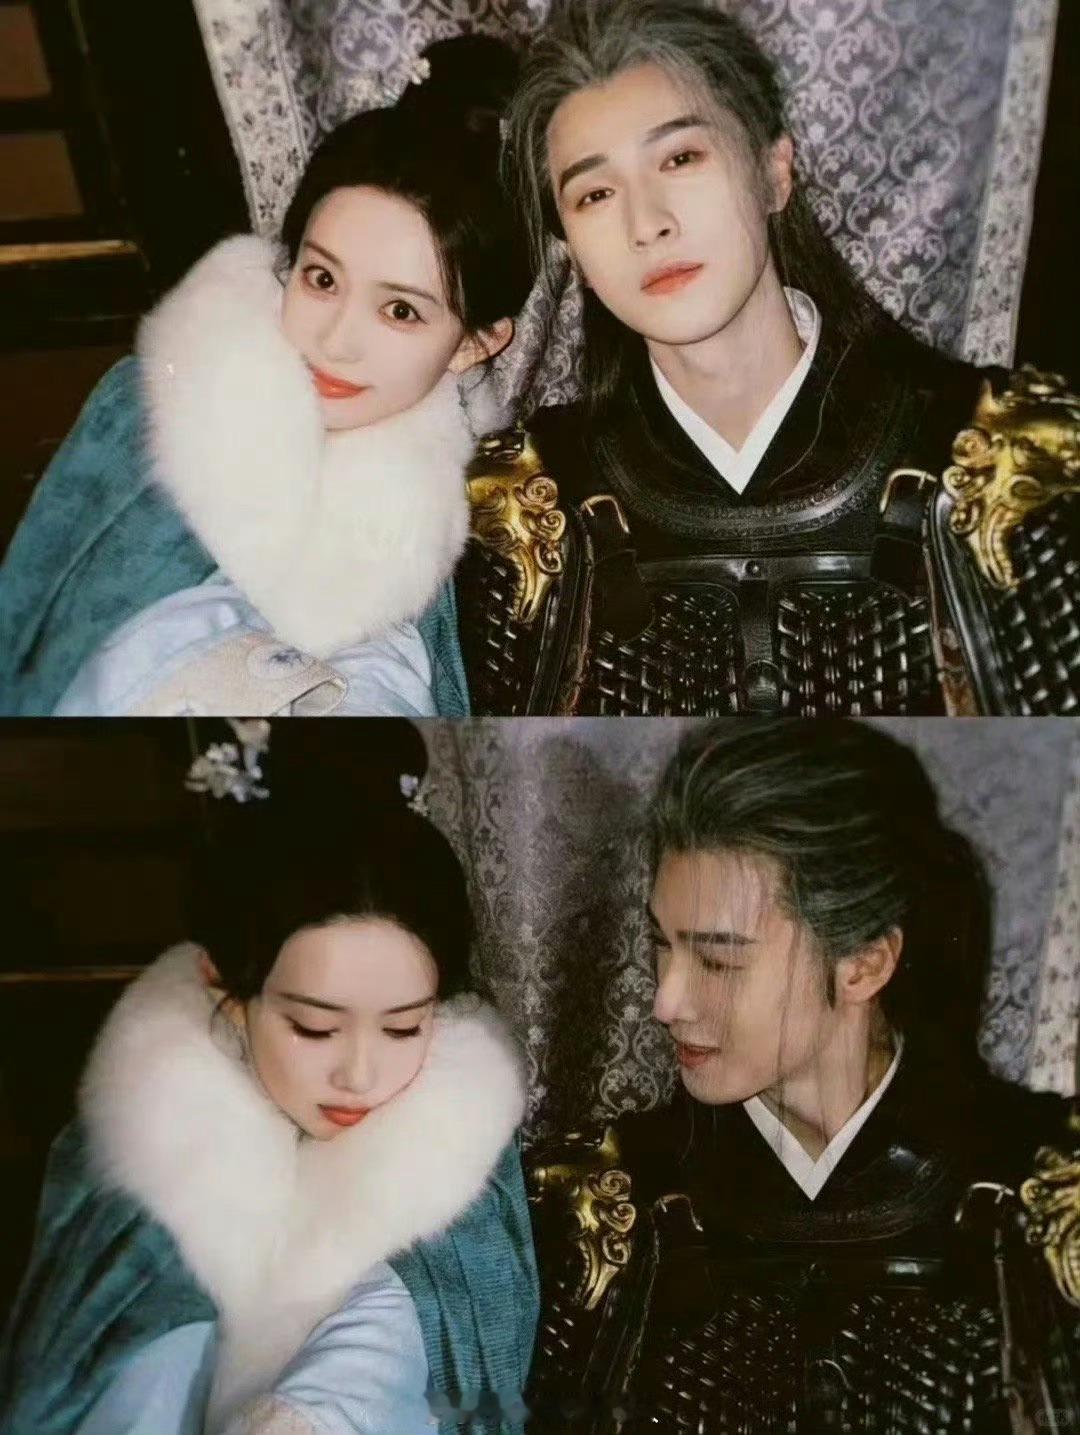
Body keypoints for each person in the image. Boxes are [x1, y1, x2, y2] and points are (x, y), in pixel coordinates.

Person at [456, 0, 1080, 716]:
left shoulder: (1006, 458)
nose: (647, 223)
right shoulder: (524, 509)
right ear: (571, 250)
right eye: (595, 193)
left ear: (774, 172)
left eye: (681, 158)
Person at [524, 719, 1080, 1433]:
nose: (665, 1000)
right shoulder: (592, 1212)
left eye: (718, 960)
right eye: (662, 945)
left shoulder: (1043, 1198)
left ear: (864, 965)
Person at [0, 720, 537, 1435]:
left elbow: (394, 1343)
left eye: (405, 1027)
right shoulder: (140, 1153)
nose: (360, 1074)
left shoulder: (457, 1161)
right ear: (226, 991)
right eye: (314, 1028)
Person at [0, 34, 533, 718]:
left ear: (477, 342)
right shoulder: (150, 403)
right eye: (322, 279)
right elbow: (23, 630)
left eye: (399, 310)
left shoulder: (464, 509)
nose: (335, 341)